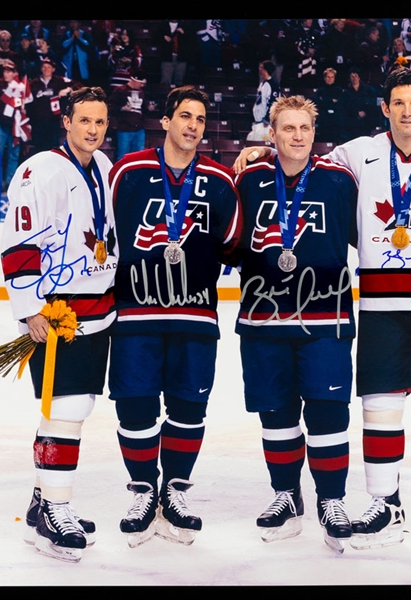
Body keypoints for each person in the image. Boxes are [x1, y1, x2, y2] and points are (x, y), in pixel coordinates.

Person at [234, 68, 411, 552]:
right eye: (397, 103)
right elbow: (303, 161)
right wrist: (262, 152)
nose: (406, 111)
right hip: (385, 308)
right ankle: (386, 504)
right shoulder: (357, 154)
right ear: (385, 108)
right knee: (380, 409)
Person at [108, 86, 241, 548]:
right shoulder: (128, 171)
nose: (192, 126)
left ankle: (176, 490)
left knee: (189, 407)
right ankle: (144, 491)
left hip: (196, 317)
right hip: (135, 316)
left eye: (200, 119)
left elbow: (233, 246)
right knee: (136, 406)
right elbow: (104, 234)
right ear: (165, 121)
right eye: (184, 116)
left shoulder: (221, 182)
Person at [233, 95, 358, 552]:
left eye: (305, 128)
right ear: (273, 133)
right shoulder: (247, 179)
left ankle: (332, 499)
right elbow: (228, 240)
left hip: (325, 317)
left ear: (314, 131)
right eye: (288, 129)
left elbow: (363, 239)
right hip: (263, 318)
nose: (298, 136)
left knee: (328, 413)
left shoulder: (339, 181)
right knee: (277, 413)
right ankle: (286, 494)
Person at [0, 87, 118, 563]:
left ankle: (41, 500)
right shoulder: (38, 170)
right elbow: (19, 241)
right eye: (84, 120)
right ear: (66, 121)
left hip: (98, 310)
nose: (93, 129)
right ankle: (56, 508)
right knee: (64, 410)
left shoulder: (106, 167)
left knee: (75, 407)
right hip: (56, 312)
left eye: (100, 122)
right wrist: (29, 307)